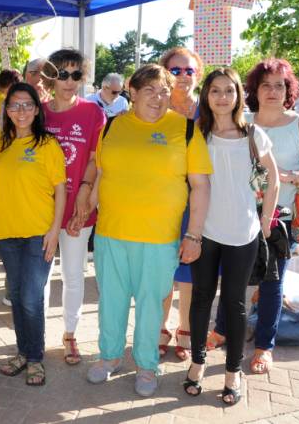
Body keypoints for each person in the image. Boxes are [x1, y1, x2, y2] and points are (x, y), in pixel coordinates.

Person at [87, 64, 212, 397]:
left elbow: (201, 186)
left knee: (150, 304)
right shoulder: (112, 125)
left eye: (164, 92)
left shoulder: (186, 129)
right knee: (111, 300)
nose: (158, 98)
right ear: (132, 92)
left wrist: (194, 234)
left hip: (159, 237)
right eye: (150, 91)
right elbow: (102, 174)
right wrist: (85, 208)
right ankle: (110, 356)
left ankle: (146, 365)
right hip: (110, 232)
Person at [209, 59, 299, 375]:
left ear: (289, 90)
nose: (273, 91)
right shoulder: (242, 120)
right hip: (236, 214)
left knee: (272, 283)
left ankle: (264, 346)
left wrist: (286, 176)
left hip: (279, 217)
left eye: (279, 85)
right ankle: (221, 329)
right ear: (254, 89)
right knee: (232, 277)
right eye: (266, 85)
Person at [184, 68, 279, 405]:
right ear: (206, 96)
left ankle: (232, 372)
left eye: (229, 90)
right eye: (215, 91)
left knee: (234, 302)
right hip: (205, 231)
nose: (222, 97)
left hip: (243, 233)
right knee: (201, 298)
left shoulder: (252, 134)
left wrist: (265, 219)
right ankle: (197, 363)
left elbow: (271, 179)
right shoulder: (197, 133)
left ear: (239, 95)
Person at [0, 82, 66, 386]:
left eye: (27, 105)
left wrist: (54, 231)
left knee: (31, 298)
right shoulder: (1, 144)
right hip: (7, 233)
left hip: (38, 233)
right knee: (17, 295)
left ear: (37, 110)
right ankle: (23, 352)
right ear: (7, 110)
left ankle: (35, 358)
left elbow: (60, 190)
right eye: (14, 105)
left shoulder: (47, 144)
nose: (20, 110)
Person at [41, 49, 106, 366]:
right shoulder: (38, 113)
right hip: (41, 209)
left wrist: (85, 193)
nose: (69, 81)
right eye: (62, 74)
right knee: (39, 278)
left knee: (73, 274)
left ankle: (70, 333)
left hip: (79, 209)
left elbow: (95, 159)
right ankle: (36, 334)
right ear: (51, 78)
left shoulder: (93, 113)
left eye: (76, 74)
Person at [157, 46, 204, 361]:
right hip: (161, 200)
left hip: (197, 200)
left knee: (190, 268)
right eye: (175, 70)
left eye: (189, 70)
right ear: (165, 74)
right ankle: (159, 326)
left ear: (197, 75)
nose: (183, 76)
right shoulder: (156, 110)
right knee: (162, 268)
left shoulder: (208, 111)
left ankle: (185, 326)